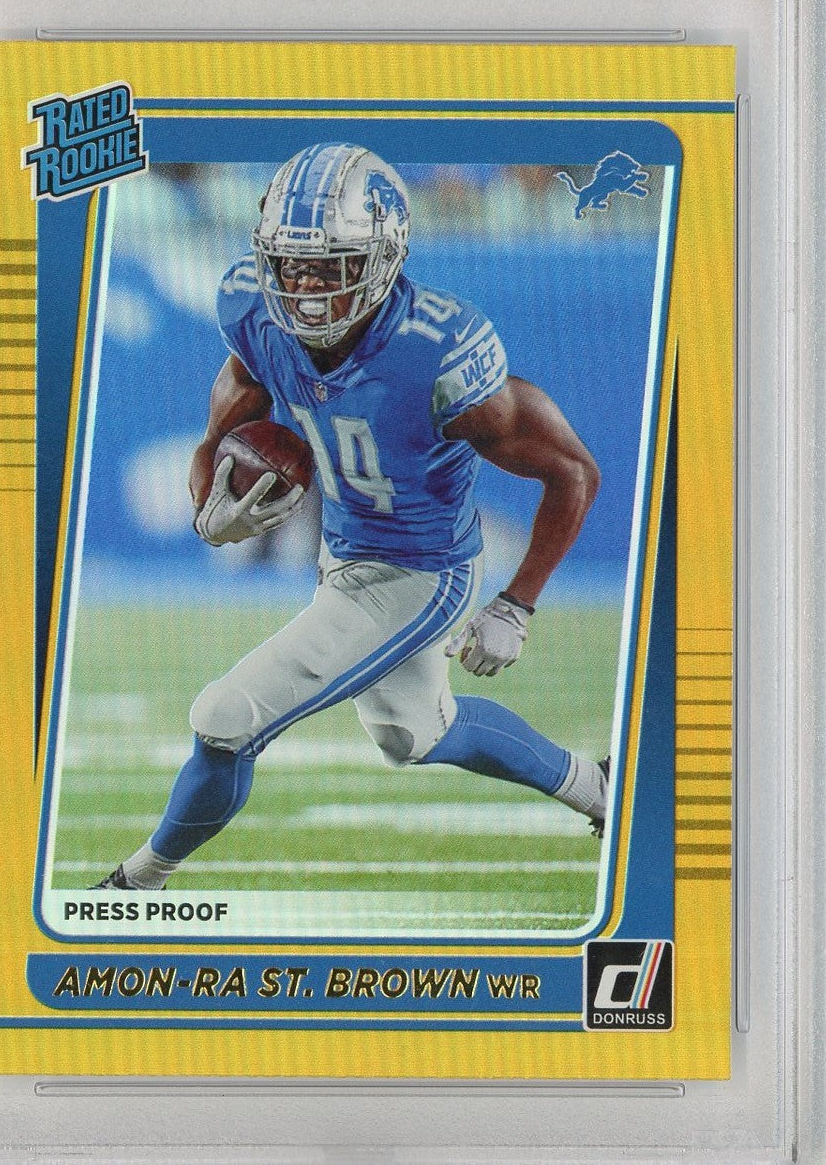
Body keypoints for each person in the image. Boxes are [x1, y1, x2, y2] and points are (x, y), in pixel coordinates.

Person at [96, 142, 608, 892]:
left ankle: (136, 885)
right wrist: (209, 508)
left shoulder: (436, 349)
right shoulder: (253, 309)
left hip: (421, 570)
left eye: (330, 266)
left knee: (226, 717)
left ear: (382, 257)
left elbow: (572, 472)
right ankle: (600, 789)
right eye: (291, 264)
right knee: (415, 733)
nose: (304, 287)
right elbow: (219, 432)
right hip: (344, 549)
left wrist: (516, 604)